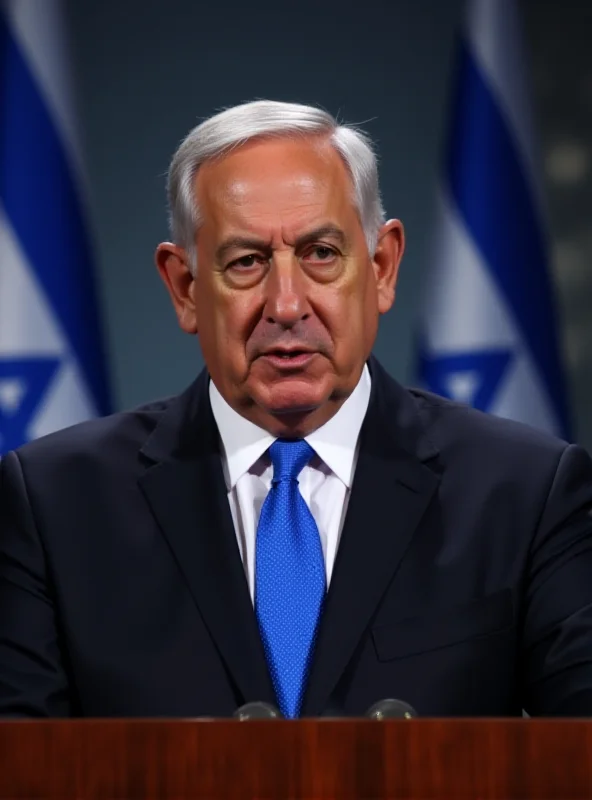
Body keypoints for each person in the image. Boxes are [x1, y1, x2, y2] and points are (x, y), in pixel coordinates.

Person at [1, 100, 592, 719]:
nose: (286, 304)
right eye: (247, 261)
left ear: (382, 267)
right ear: (185, 288)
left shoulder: (522, 493)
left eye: (320, 253)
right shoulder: (55, 505)